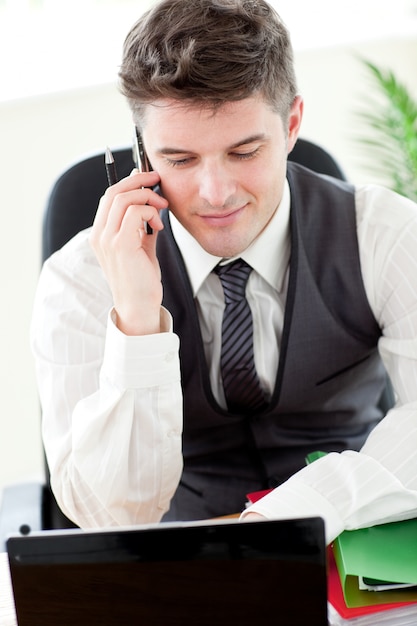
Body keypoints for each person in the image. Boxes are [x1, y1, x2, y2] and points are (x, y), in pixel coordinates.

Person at [31, 0, 417, 545]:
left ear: (292, 124)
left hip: (356, 531)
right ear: (143, 152)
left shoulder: (386, 233)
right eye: (181, 160)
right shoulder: (79, 280)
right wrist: (138, 324)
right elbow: (112, 515)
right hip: (181, 553)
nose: (216, 194)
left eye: (244, 151)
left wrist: (294, 513)